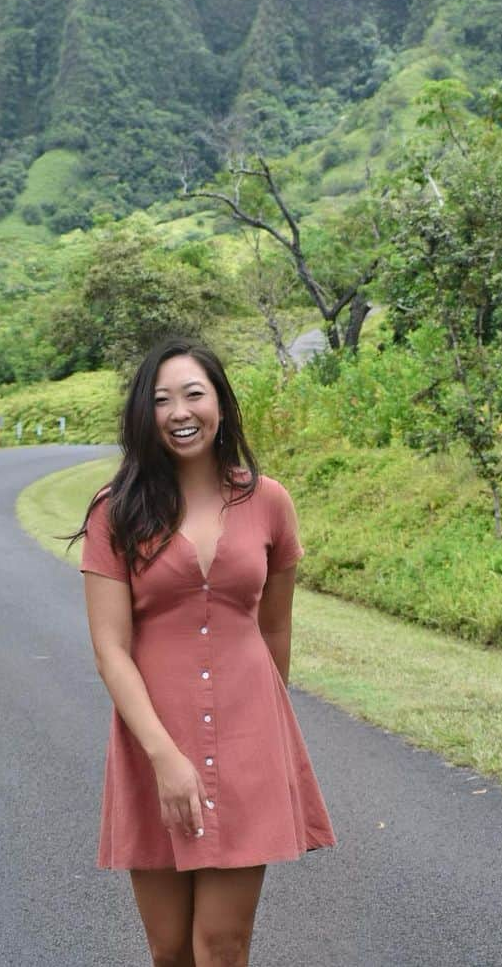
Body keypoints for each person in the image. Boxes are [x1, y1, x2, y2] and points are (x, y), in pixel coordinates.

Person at [71, 337, 336, 967]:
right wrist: (165, 757)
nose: (179, 411)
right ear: (144, 415)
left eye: (194, 394)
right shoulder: (117, 512)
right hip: (153, 741)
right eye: (161, 400)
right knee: (169, 951)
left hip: (249, 741)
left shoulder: (269, 501)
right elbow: (111, 651)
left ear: (220, 403)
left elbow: (275, 630)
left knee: (221, 945)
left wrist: (264, 732)